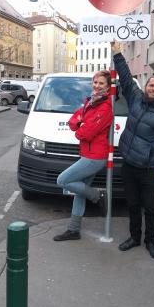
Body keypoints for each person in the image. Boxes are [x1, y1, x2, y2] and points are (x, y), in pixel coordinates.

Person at [111, 41, 154, 259]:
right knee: (132, 204)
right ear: (146, 86)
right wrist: (117, 53)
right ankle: (134, 237)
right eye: (151, 85)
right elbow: (126, 76)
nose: (153, 88)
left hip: (149, 169)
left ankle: (151, 241)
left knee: (149, 207)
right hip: (129, 164)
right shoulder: (135, 99)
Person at [53, 70, 113, 241]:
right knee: (80, 193)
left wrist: (81, 125)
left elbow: (84, 134)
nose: (97, 86)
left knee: (63, 180)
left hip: (95, 157)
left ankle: (98, 195)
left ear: (108, 87)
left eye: (101, 83)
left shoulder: (106, 107)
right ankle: (74, 230)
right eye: (95, 82)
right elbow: (73, 121)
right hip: (87, 153)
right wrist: (80, 123)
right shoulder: (90, 102)